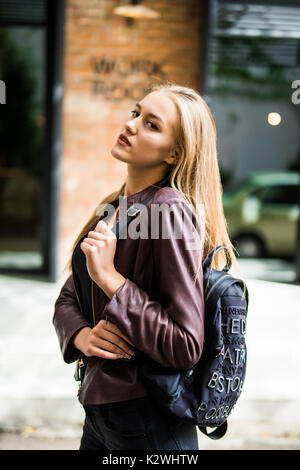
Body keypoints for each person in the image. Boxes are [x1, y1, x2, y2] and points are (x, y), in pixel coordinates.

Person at [53, 82, 240, 451]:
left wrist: (113, 281)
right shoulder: (114, 206)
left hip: (147, 422)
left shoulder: (168, 211)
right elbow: (68, 297)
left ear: (174, 154)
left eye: (152, 124)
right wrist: (82, 337)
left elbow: (185, 345)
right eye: (136, 112)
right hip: (102, 416)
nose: (131, 124)